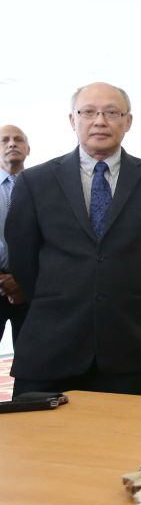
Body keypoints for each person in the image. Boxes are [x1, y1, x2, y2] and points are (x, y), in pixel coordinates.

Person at [8, 83, 141, 396]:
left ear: (128, 121)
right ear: (73, 120)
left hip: (128, 345)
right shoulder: (37, 181)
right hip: (51, 342)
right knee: (38, 441)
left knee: (125, 442)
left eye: (112, 112)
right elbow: (23, 258)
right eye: (89, 112)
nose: (100, 121)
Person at [0, 125, 30, 346]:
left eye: (18, 140)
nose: (12, 144)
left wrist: (23, 281)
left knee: (34, 365)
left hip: (31, 290)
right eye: (4, 140)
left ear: (28, 149)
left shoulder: (43, 187)